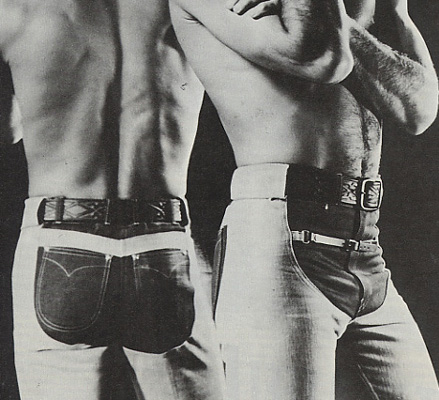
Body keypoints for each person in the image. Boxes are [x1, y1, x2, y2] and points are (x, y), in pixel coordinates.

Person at [169, 0, 439, 398]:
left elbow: (418, 109)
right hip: (277, 236)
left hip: (364, 245)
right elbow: (322, 60)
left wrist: (341, 18)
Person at [0, 1, 227, 398]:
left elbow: (7, 132)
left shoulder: (16, 9)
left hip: (59, 238)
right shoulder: (188, 7)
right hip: (161, 238)